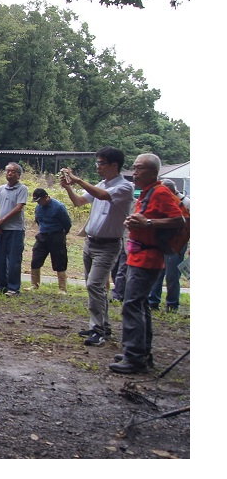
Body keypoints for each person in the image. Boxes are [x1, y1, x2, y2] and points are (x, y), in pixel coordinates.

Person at [108, 153, 185, 374]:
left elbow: (178, 220)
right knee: (140, 305)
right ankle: (140, 351)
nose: (135, 172)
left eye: (140, 168)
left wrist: (148, 222)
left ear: (153, 172)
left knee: (132, 305)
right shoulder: (147, 193)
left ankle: (135, 359)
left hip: (148, 259)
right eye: (134, 167)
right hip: (137, 256)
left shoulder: (160, 192)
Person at [59, 147, 134, 345]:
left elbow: (102, 196)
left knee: (95, 285)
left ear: (114, 165)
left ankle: (99, 330)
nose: (98, 167)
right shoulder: (101, 184)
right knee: (95, 287)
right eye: (97, 163)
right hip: (90, 242)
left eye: (101, 163)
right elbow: (79, 202)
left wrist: (78, 180)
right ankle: (100, 326)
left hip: (108, 246)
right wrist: (68, 187)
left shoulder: (124, 187)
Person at [148, 178, 188, 312]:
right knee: (158, 272)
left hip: (177, 243)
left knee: (172, 274)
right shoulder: (165, 200)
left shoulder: (186, 203)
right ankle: (153, 301)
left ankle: (172, 304)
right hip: (162, 241)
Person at [27, 187, 72, 293]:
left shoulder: (59, 207)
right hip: (43, 235)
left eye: (40, 200)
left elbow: (67, 223)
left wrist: (61, 235)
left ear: (46, 197)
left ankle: (62, 288)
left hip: (56, 235)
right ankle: (34, 284)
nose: (39, 203)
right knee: (36, 259)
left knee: (59, 261)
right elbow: (38, 220)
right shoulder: (38, 208)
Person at [0, 162, 28, 295]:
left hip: (15, 229)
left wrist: (2, 220)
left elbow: (19, 208)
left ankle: (13, 287)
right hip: (1, 229)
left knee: (13, 259)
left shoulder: (22, 189)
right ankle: (1, 286)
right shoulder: (1, 189)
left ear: (18, 175)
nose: (10, 173)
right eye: (8, 171)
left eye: (13, 171)